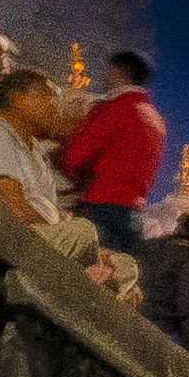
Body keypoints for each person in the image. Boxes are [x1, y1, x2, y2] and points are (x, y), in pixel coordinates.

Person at [0, 68, 96, 261]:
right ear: (19, 99)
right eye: (50, 98)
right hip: (10, 235)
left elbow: (53, 209)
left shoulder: (35, 152)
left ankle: (94, 270)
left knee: (125, 264)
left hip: (39, 235)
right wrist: (60, 231)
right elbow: (12, 203)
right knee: (83, 231)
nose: (56, 109)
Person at [53, 50, 165, 252]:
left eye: (108, 71)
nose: (105, 77)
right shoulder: (155, 118)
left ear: (119, 72)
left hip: (103, 205)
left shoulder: (118, 108)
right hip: (134, 215)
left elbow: (76, 155)